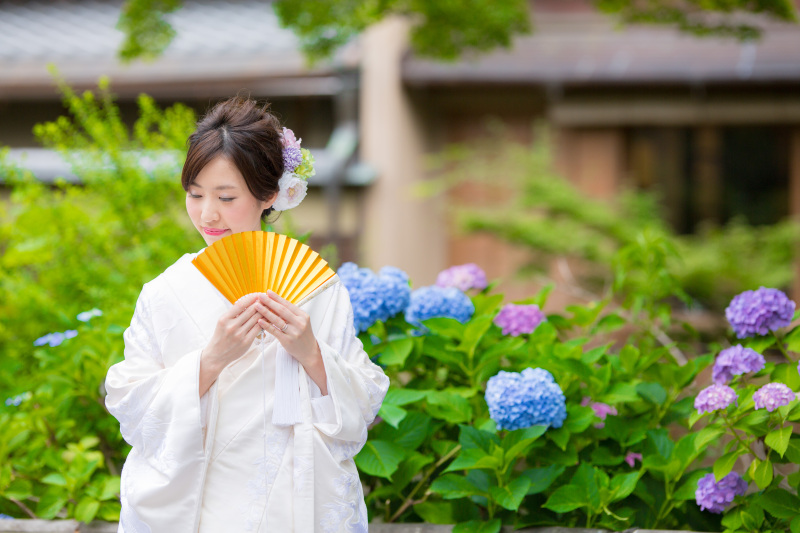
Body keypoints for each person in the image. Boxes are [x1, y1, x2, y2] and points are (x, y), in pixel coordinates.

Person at [104, 97, 389, 533]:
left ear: (269, 194)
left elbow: (364, 397)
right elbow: (129, 399)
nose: (207, 213)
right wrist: (210, 360)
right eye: (195, 194)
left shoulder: (318, 289)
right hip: (203, 500)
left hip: (294, 496)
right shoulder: (164, 293)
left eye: (226, 196)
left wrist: (311, 353)